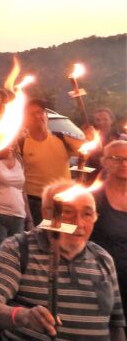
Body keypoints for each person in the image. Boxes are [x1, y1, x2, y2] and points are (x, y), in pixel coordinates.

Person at [0, 180, 126, 341]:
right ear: (47, 214)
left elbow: (116, 325)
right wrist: (23, 316)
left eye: (87, 214)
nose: (79, 223)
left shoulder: (102, 258)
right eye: (67, 212)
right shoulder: (19, 248)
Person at [22, 98, 89, 224]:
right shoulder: (21, 143)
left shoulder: (62, 138)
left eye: (40, 112)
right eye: (32, 114)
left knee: (64, 238)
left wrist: (91, 137)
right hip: (36, 203)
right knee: (43, 240)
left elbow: (89, 151)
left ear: (46, 115)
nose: (38, 117)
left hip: (64, 200)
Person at [91, 140, 127, 336]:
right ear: (104, 162)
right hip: (102, 283)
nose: (124, 164)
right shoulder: (93, 199)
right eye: (117, 158)